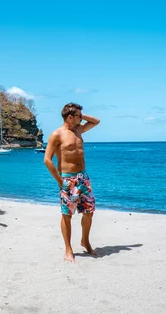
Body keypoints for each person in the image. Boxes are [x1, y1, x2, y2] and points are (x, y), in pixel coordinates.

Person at [43, 103, 100, 262]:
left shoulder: (79, 130)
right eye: (78, 116)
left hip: (83, 178)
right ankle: (68, 249)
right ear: (70, 117)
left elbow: (96, 121)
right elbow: (47, 160)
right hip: (67, 179)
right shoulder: (57, 134)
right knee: (67, 215)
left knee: (89, 212)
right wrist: (60, 181)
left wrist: (81, 115)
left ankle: (85, 241)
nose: (81, 119)